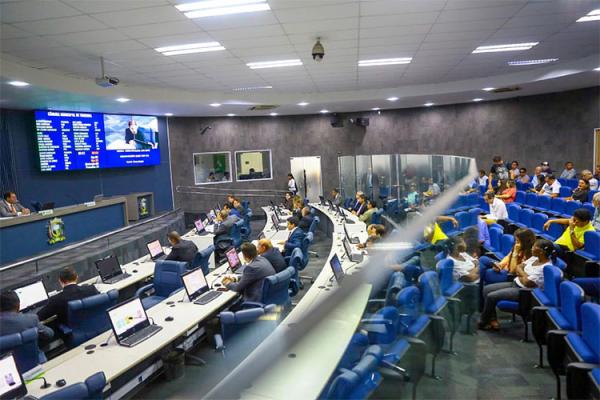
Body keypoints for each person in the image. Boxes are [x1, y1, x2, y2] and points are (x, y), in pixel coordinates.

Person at [479, 239, 556, 330]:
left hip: (524, 292)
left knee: (491, 296)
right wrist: (523, 275)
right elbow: (518, 267)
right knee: (486, 289)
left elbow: (527, 283)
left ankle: (483, 322)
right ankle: (491, 319)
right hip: (515, 283)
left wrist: (521, 274)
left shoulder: (545, 267)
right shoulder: (534, 258)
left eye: (534, 247)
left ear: (541, 251)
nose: (531, 249)